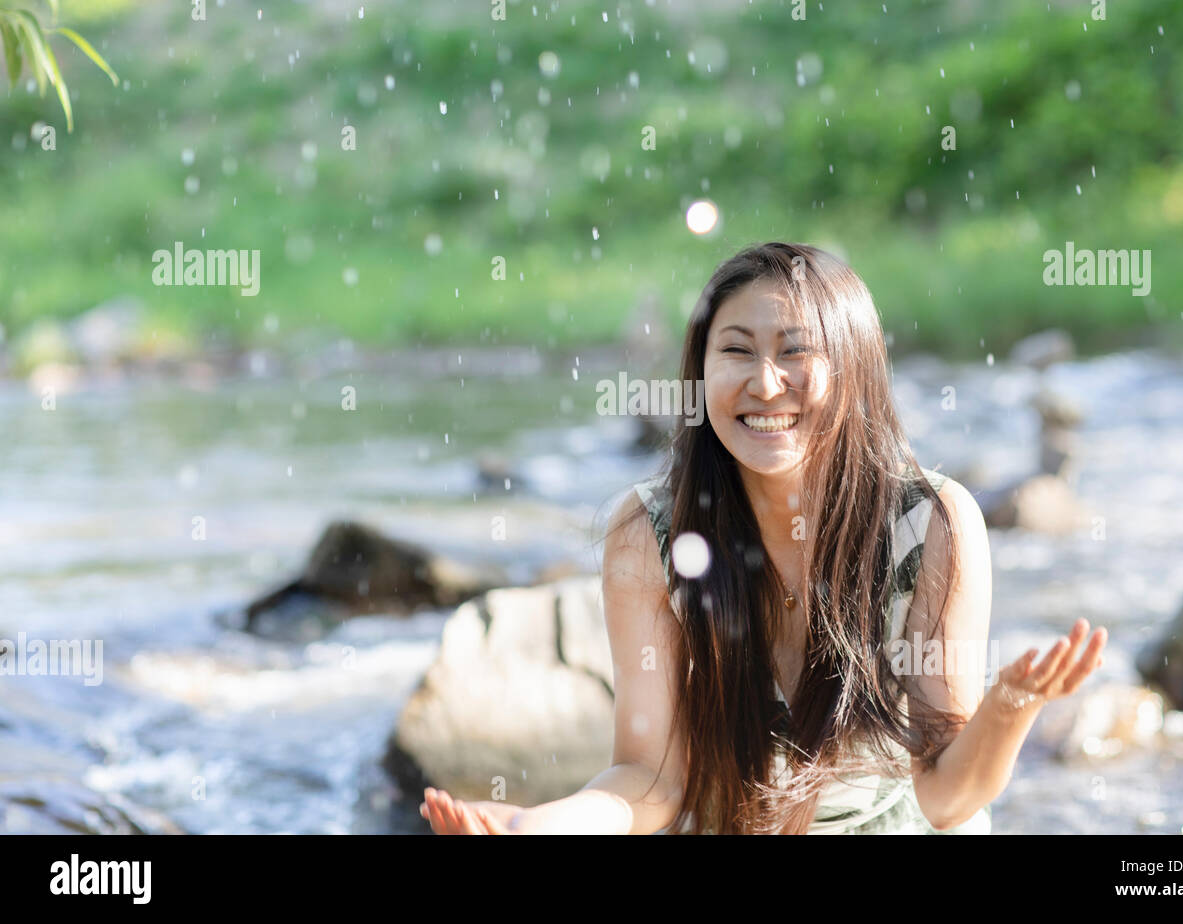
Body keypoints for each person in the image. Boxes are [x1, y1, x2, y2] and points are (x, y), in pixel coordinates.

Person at [420, 241, 1107, 834]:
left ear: (855, 368)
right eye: (737, 352)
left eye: (795, 352)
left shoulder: (930, 523)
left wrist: (1013, 706)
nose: (766, 383)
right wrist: (535, 822)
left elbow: (945, 794)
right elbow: (650, 780)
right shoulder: (651, 533)